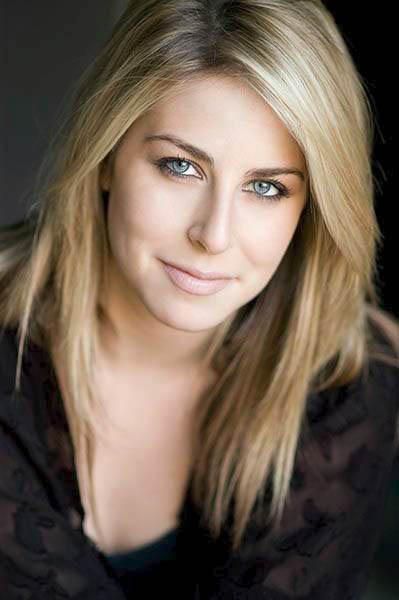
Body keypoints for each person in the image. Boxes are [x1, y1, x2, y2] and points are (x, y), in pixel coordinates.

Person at [0, 0, 398, 597]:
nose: (213, 236)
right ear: (106, 154)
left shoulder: (347, 380)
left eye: (266, 187)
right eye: (180, 166)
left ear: (311, 207)